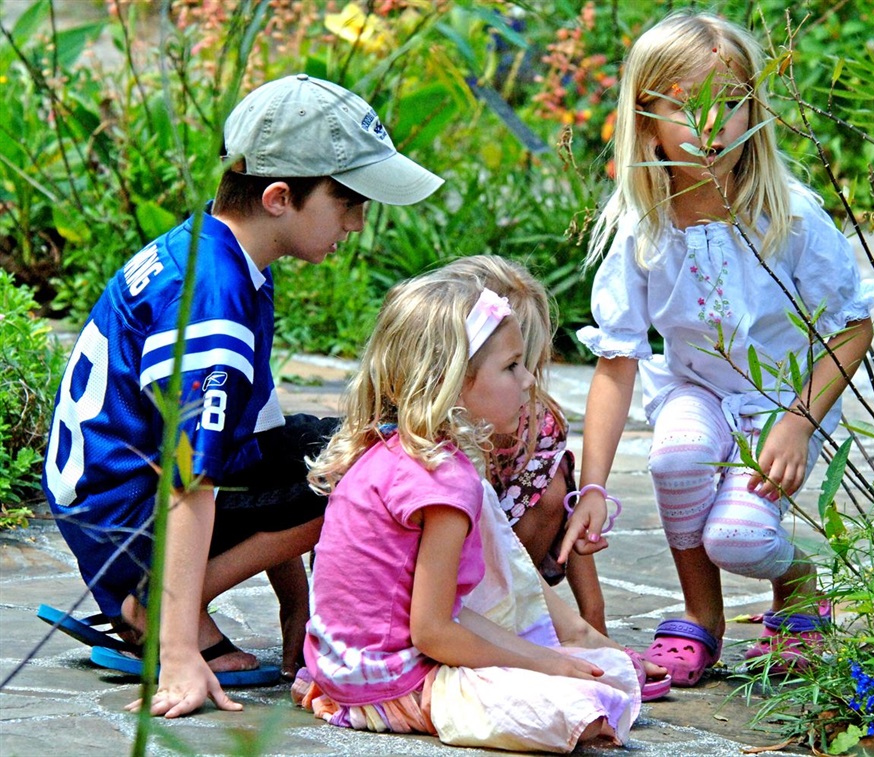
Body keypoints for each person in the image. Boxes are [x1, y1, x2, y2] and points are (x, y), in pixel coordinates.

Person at [40, 73, 443, 718]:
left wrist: (295, 599)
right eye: (348, 202)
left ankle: (170, 604)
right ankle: (155, 612)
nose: (360, 222)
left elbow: (258, 437)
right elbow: (189, 481)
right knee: (367, 476)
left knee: (352, 450)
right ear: (281, 196)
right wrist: (177, 657)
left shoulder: (231, 258)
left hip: (121, 502)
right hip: (131, 521)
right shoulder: (213, 298)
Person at [561, 12, 874, 686]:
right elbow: (617, 363)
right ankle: (704, 617)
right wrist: (591, 485)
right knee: (675, 460)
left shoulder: (787, 216)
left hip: (776, 398)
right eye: (686, 107)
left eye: (730, 106)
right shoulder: (641, 226)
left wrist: (799, 419)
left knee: (737, 535)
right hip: (692, 390)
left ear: (755, 114)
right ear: (645, 119)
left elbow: (852, 327)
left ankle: (797, 583)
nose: (711, 128)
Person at [295, 268, 639, 752]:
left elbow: (442, 612)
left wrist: (539, 656)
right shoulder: (446, 481)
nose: (527, 383)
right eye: (513, 367)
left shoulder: (394, 449)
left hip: (344, 666)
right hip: (392, 680)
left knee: (608, 675)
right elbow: (433, 630)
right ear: (453, 382)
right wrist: (546, 664)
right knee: (585, 708)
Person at [443, 254, 607, 634]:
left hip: (503, 566)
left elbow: (569, 510)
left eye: (530, 364)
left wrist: (593, 622)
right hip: (428, 587)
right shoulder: (421, 439)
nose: (531, 380)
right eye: (513, 366)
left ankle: (515, 618)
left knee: (553, 487)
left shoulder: (537, 423)